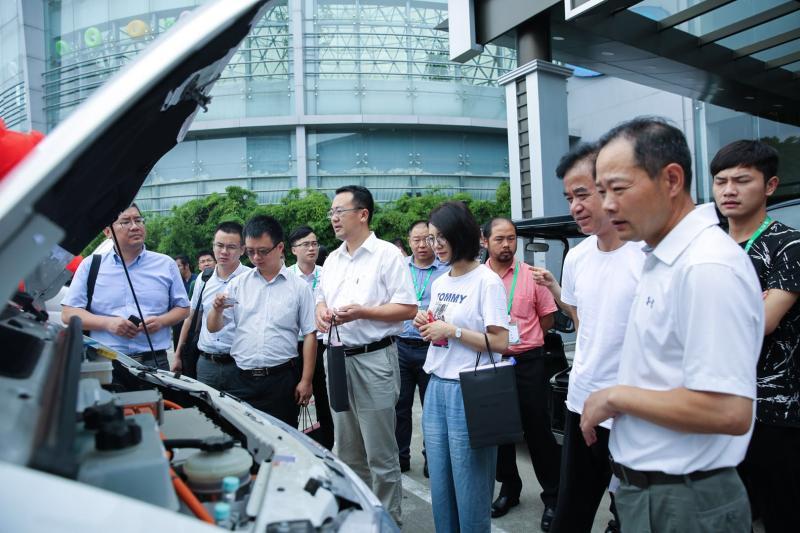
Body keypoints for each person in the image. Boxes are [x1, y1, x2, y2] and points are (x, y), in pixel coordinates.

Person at [582, 117, 763, 533]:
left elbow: (729, 410)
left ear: (672, 179)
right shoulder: (663, 256)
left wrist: (616, 397)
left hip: (684, 502)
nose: (607, 205)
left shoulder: (706, 266)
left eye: (618, 188)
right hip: (656, 494)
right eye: (601, 191)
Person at [533, 143, 643, 533]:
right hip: (582, 403)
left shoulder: (647, 254)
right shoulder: (577, 257)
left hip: (634, 411)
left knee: (632, 516)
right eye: (569, 198)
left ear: (611, 188)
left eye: (582, 194)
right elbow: (583, 323)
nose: (575, 207)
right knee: (570, 514)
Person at [711, 139, 800, 533]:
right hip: (712, 404)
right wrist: (746, 303)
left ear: (770, 185)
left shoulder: (788, 244)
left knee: (782, 516)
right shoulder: (707, 246)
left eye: (742, 180)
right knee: (727, 519)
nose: (729, 190)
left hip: (774, 411)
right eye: (721, 181)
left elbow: (762, 323)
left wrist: (715, 309)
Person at [315, 185, 417, 524]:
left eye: (339, 211)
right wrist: (321, 311)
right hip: (337, 359)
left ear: (363, 214)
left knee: (380, 454)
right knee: (347, 450)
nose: (333, 218)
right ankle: (358, 519)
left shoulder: (387, 255)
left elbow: (407, 308)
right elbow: (320, 297)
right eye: (331, 212)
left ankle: (389, 522)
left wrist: (363, 312)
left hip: (374, 359)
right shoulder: (332, 259)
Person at [412, 201, 509, 533]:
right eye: (431, 237)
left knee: (471, 485)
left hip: (470, 388)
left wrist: (452, 331)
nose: (435, 245)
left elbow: (500, 342)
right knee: (441, 485)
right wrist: (428, 324)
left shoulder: (487, 282)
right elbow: (441, 333)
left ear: (461, 235)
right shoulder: (441, 283)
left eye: (441, 237)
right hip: (436, 385)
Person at [483, 217, 560, 528]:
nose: (506, 245)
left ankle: (553, 496)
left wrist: (525, 339)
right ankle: (509, 489)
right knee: (500, 431)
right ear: (485, 241)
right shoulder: (478, 277)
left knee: (537, 430)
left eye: (511, 238)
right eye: (499, 239)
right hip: (493, 361)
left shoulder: (532, 275)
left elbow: (548, 319)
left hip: (529, 361)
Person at [206, 215, 315, 427]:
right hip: (241, 378)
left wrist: (306, 380)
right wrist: (216, 310)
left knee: (283, 437)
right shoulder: (238, 284)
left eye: (263, 251)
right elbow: (213, 327)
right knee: (243, 435)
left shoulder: (299, 287)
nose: (256, 257)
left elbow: (310, 333)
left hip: (281, 379)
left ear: (280, 247)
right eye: (250, 251)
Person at [62, 204, 190, 369]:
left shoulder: (166, 264)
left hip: (154, 362)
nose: (135, 226)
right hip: (105, 362)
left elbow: (183, 308)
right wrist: (107, 323)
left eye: (138, 220)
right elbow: (68, 313)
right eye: (125, 222)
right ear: (108, 232)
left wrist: (161, 321)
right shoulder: (90, 265)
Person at [395, 220, 448, 475]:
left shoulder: (446, 269)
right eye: (416, 240)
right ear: (409, 241)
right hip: (400, 346)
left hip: (431, 347)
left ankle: (432, 458)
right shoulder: (399, 268)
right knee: (400, 406)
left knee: (432, 409)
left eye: (427, 239)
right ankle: (400, 456)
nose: (422, 245)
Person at [171, 222, 249, 378]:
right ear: (213, 246)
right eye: (219, 245)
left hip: (240, 364)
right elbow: (191, 318)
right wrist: (178, 354)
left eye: (231, 247)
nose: (224, 251)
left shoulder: (250, 279)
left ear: (242, 249)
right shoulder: (203, 278)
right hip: (206, 364)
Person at [288, 225, 335, 450]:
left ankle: (329, 446)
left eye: (314, 243)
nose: (311, 248)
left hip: (324, 345)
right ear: (293, 250)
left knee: (326, 399)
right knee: (293, 398)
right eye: (305, 244)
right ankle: (294, 447)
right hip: (295, 347)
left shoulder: (328, 275)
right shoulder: (286, 277)